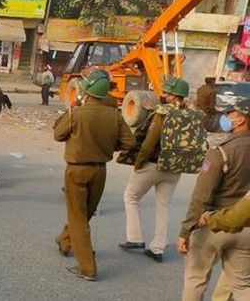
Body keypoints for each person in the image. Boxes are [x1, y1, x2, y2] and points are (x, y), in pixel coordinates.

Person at [53, 70, 135, 282]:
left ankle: (87, 267)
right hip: (100, 171)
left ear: (87, 92)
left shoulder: (77, 113)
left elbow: (58, 134)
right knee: (84, 214)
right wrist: (109, 146)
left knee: (78, 217)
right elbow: (130, 143)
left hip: (76, 170)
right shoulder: (115, 116)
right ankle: (64, 241)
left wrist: (71, 110)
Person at [120, 77, 201, 263]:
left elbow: (149, 142)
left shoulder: (163, 113)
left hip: (154, 164)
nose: (161, 95)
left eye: (165, 92)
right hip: (176, 167)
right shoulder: (193, 113)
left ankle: (135, 238)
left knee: (131, 197)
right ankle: (157, 248)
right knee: (163, 206)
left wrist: (138, 163)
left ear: (173, 96)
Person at [177, 100, 250, 300]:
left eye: (231, 114)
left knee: (196, 279)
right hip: (246, 227)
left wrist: (186, 230)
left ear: (241, 119)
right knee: (242, 285)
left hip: (214, 224)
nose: (227, 118)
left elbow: (201, 195)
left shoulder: (221, 152)